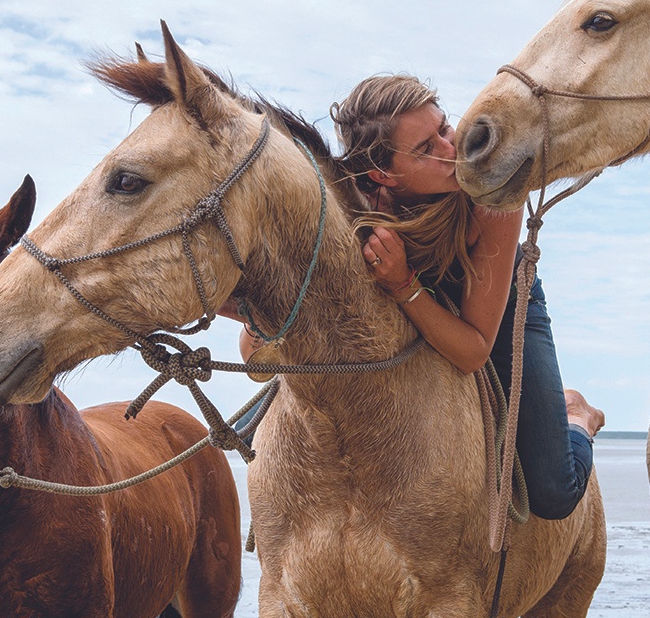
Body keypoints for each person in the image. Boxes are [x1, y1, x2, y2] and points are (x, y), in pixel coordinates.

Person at [238, 74, 603, 522]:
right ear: (381, 174)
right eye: (427, 149)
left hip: (500, 300)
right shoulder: (350, 201)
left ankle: (577, 418)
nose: (452, 150)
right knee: (250, 433)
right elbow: (255, 347)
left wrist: (404, 284)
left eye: (444, 129)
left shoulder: (490, 195)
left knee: (553, 492)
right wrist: (260, 323)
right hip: (396, 293)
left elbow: (472, 352)